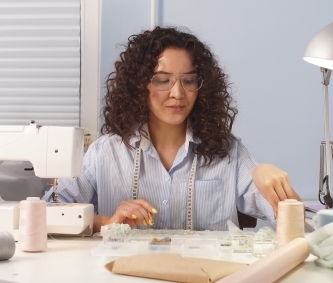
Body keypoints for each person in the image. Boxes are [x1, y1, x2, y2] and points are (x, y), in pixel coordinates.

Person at [44, 26, 300, 231]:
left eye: (188, 80)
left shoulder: (228, 153)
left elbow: (292, 221)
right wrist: (107, 223)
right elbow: (48, 214)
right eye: (162, 80)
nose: (178, 93)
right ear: (140, 85)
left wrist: (270, 181)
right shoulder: (105, 154)